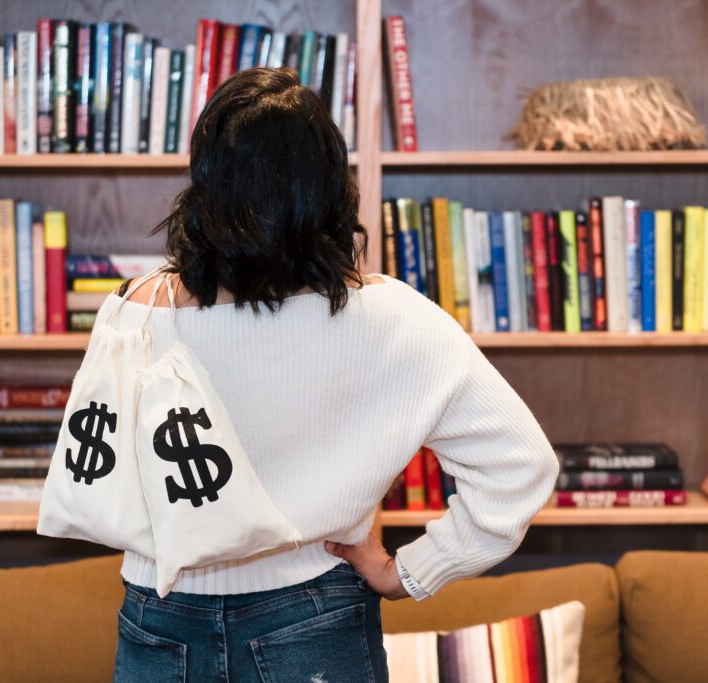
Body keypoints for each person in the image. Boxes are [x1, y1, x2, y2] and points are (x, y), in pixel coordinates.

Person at [107, 67, 559, 682]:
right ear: (328, 185)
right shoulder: (392, 317)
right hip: (313, 614)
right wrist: (412, 571)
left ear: (206, 180)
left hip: (157, 618)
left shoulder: (136, 307)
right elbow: (521, 465)